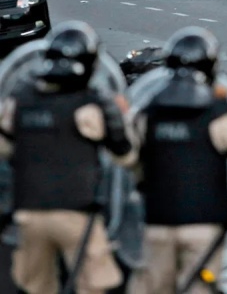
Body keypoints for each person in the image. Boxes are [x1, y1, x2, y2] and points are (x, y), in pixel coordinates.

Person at [0, 21, 135, 294]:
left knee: (35, 286)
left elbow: (4, 147)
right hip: (77, 212)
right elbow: (125, 155)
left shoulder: (20, 99)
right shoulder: (91, 104)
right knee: (94, 283)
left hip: (29, 212)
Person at [128, 27, 227, 294]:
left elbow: (129, 157)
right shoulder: (218, 112)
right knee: (200, 288)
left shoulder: (150, 110)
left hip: (157, 222)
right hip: (204, 224)